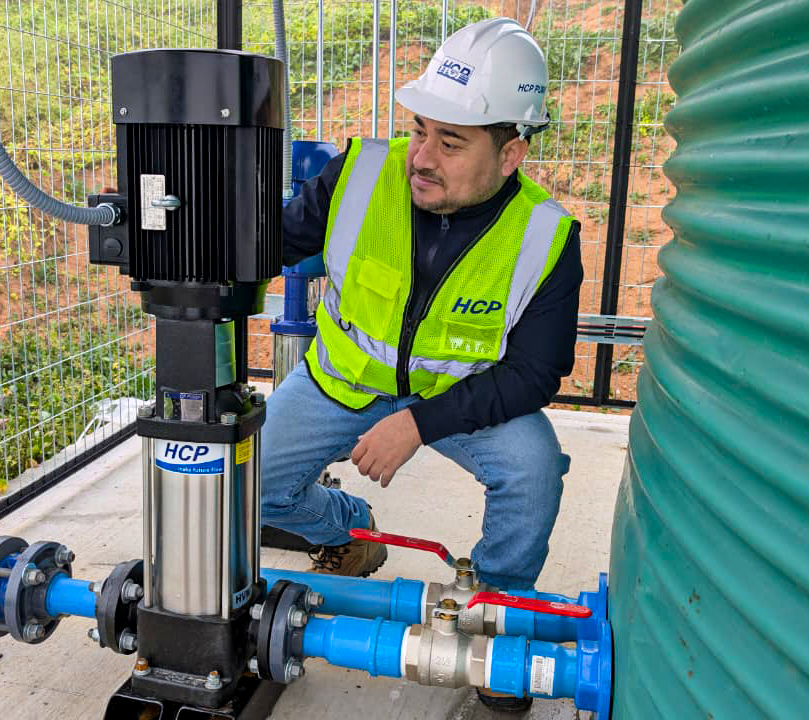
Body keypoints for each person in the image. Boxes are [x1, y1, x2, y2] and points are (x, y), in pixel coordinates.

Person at [262, 21, 580, 708]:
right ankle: (349, 531)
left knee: (533, 473)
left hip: (458, 400)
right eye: (419, 130)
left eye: (451, 141)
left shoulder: (545, 237)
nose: (422, 157)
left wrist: (416, 425)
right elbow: (265, 242)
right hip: (340, 383)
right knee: (249, 483)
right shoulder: (358, 176)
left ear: (510, 153)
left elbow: (535, 374)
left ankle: (495, 616)